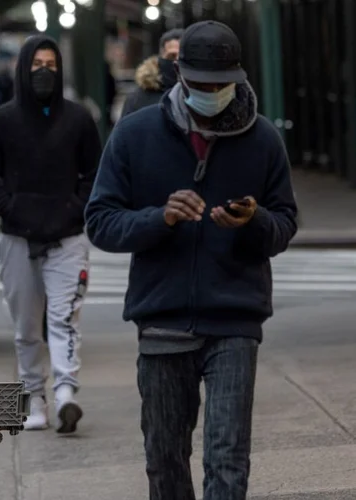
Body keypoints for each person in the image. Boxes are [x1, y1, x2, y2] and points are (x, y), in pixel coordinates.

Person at [84, 20, 298, 500]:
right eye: (201, 84)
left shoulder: (262, 139)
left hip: (235, 319)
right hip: (161, 321)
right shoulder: (136, 132)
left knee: (227, 458)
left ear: (238, 79)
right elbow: (99, 221)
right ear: (178, 72)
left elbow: (284, 224)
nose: (212, 93)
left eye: (222, 85)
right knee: (164, 458)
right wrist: (159, 218)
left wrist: (254, 220)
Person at [0, 34, 102, 434]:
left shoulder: (79, 119)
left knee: (64, 318)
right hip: (16, 239)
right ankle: (34, 399)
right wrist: (13, 208)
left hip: (67, 239)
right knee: (27, 328)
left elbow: (94, 174)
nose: (44, 71)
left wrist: (73, 208)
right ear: (22, 68)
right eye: (36, 64)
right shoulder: (2, 122)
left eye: (51, 64)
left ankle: (66, 393)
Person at [120, 28, 183, 119]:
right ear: (161, 57)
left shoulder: (200, 94)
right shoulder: (138, 99)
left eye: (181, 56)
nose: (177, 61)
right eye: (172, 56)